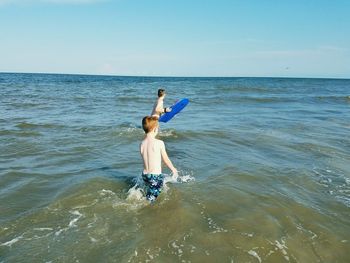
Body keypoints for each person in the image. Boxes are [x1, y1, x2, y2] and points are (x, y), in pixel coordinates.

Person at [140, 116, 178, 201]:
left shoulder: (142, 144)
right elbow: (166, 159)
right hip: (155, 176)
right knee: (150, 200)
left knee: (150, 192)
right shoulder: (159, 143)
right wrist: (173, 169)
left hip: (145, 175)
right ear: (155, 128)